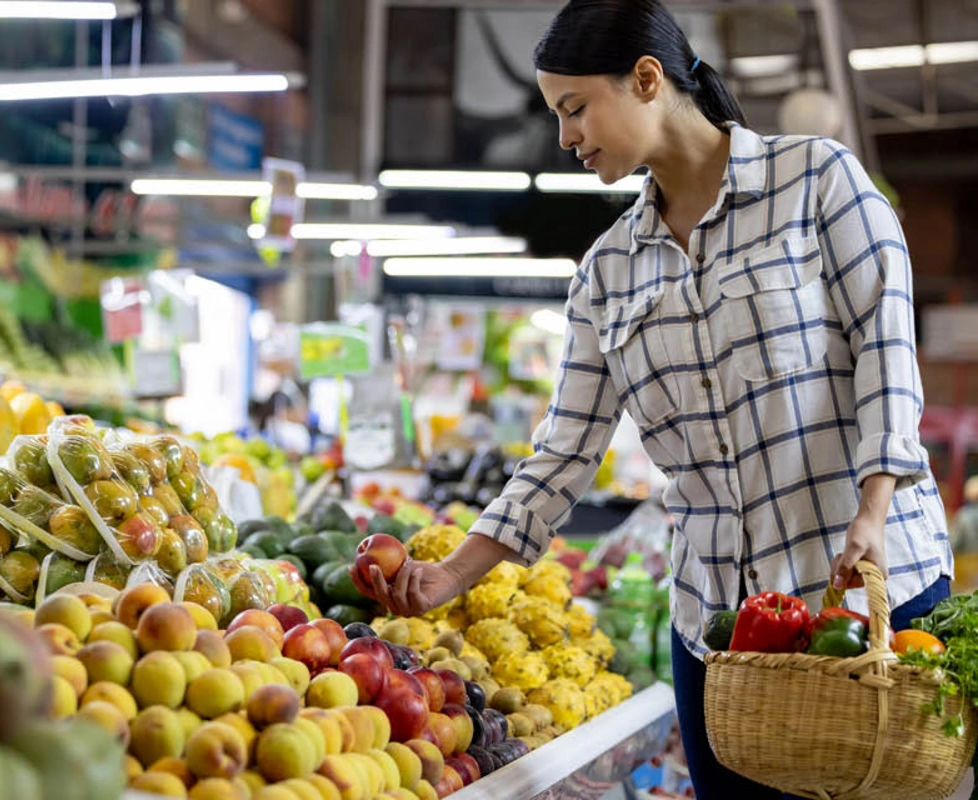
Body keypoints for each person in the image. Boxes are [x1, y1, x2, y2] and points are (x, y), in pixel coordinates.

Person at [351, 2, 953, 797]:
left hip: (863, 604)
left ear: (645, 79)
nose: (565, 137)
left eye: (574, 108)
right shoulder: (607, 272)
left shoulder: (818, 181)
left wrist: (872, 510)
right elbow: (563, 454)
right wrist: (450, 575)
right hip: (719, 628)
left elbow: (886, 355)